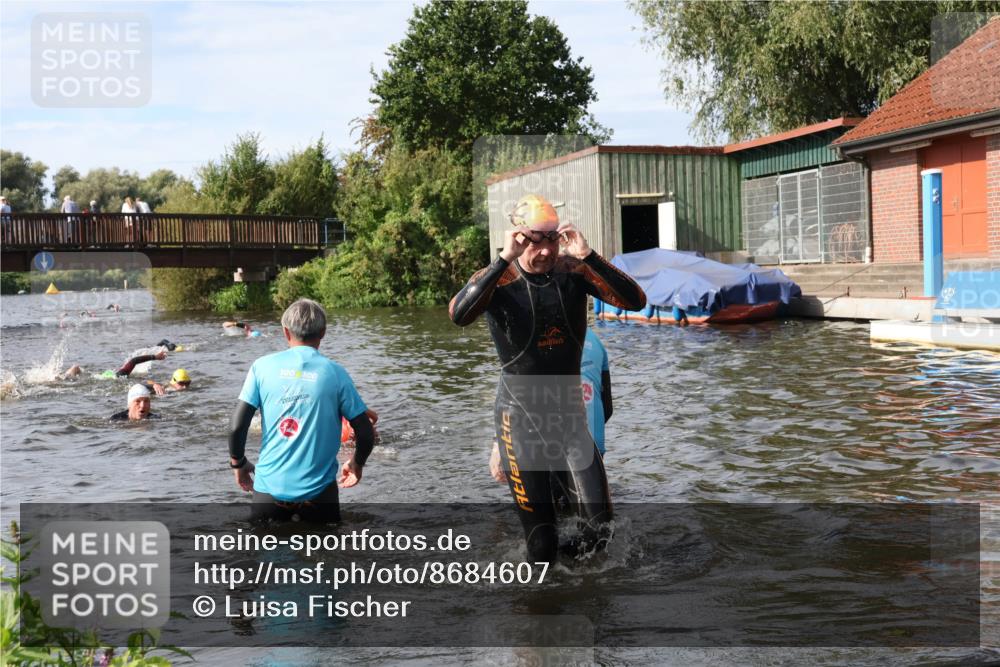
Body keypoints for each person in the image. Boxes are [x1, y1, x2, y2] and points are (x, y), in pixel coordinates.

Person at [449, 194, 645, 563]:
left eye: (551, 239)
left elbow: (634, 301)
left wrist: (589, 255)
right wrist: (503, 258)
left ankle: (575, 589)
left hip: (569, 418)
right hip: (519, 421)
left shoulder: (573, 271)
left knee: (600, 529)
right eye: (533, 241)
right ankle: (540, 601)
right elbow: (459, 315)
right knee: (541, 544)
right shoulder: (501, 277)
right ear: (517, 238)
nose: (544, 252)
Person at [227, 299, 376, 523]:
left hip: (269, 491)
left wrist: (238, 463)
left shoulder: (261, 367)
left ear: (285, 332)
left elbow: (237, 426)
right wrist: (357, 463)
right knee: (327, 554)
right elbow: (365, 432)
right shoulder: (336, 373)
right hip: (320, 494)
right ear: (323, 333)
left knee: (260, 553)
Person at [490, 328, 613, 483]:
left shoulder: (535, 341)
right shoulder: (596, 341)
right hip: (594, 445)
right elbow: (608, 409)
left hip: (551, 446)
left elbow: (512, 397)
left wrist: (498, 445)